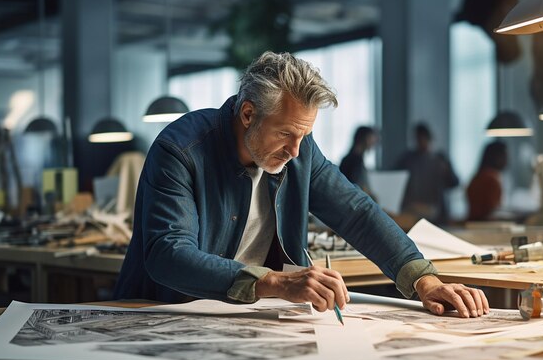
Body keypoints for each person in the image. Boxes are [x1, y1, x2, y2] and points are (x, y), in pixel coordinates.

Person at [114, 51, 489, 318]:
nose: (296, 152)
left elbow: (356, 212)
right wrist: (275, 282)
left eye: (304, 136)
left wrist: (422, 279)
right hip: (165, 314)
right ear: (248, 114)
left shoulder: (299, 148)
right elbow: (168, 255)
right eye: (286, 135)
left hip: (246, 319)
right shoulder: (179, 150)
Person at [395, 123, 459, 224]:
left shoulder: (440, 159)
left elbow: (455, 182)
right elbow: (396, 181)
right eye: (419, 139)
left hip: (435, 212)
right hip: (412, 210)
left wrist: (446, 171)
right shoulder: (407, 160)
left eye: (424, 139)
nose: (422, 142)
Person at [467, 141, 508, 221]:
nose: (507, 161)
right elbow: (492, 212)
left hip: (473, 224)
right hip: (484, 226)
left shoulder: (478, 176)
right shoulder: (491, 179)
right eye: (505, 156)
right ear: (497, 157)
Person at [339, 126, 378, 196]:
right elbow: (357, 187)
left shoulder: (348, 159)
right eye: (371, 138)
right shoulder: (355, 161)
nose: (373, 142)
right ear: (365, 139)